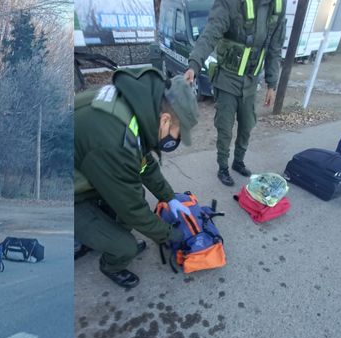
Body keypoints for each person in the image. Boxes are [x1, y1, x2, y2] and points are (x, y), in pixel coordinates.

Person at [74, 68, 199, 289]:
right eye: (178, 132)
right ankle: (110, 263)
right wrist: (170, 235)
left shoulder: (135, 106)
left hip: (86, 165)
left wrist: (169, 197)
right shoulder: (114, 141)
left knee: (133, 191)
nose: (177, 139)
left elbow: (142, 164)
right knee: (125, 246)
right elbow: (133, 210)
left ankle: (101, 231)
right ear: (165, 121)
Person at [184, 0, 286, 186]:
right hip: (227, 79)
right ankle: (223, 167)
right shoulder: (230, 2)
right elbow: (210, 33)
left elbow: (275, 47)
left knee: (247, 125)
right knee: (225, 127)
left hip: (250, 80)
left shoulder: (278, 5)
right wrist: (194, 65)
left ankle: (238, 161)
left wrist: (272, 84)